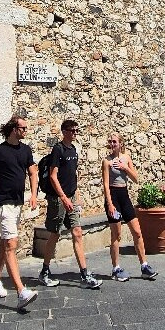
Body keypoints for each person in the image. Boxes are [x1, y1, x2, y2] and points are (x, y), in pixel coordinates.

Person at [0, 116, 38, 310]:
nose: (26, 131)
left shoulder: (26, 150)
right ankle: (21, 292)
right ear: (13, 129)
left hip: (17, 203)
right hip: (2, 203)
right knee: (11, 244)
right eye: (23, 128)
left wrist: (34, 194)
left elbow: (33, 172)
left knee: (5, 241)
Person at [39, 119, 102, 290]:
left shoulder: (73, 150)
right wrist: (64, 197)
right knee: (55, 233)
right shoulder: (57, 150)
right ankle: (44, 271)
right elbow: (53, 176)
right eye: (72, 130)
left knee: (77, 232)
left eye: (76, 130)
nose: (75, 133)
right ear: (64, 131)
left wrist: (76, 196)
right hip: (58, 198)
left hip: (71, 197)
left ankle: (84, 273)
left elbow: (73, 173)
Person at [101, 132, 158, 281]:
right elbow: (106, 184)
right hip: (113, 197)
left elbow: (136, 178)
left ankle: (144, 266)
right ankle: (116, 268)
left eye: (114, 141)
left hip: (124, 196)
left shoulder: (126, 158)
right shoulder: (106, 161)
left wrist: (124, 168)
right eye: (110, 141)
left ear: (121, 143)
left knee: (137, 232)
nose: (112, 144)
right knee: (117, 234)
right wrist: (110, 204)